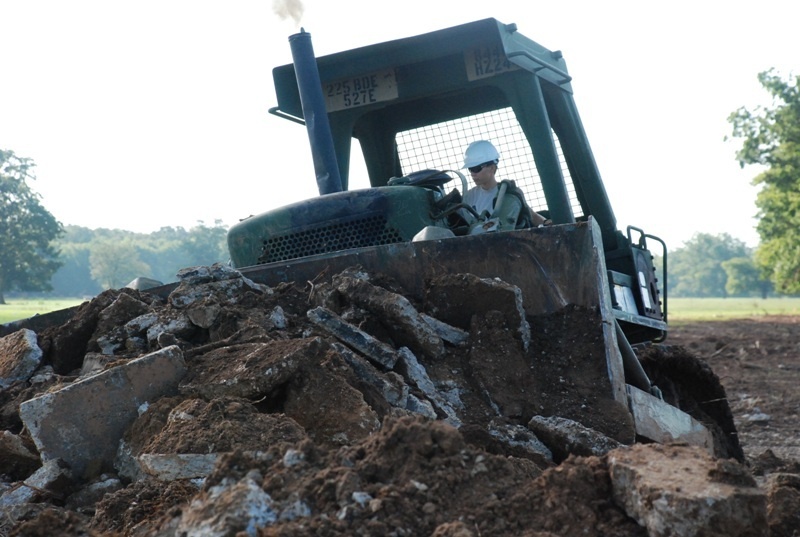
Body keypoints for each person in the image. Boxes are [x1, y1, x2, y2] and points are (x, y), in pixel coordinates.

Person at [460, 140, 547, 227]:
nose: (472, 173)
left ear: (492, 168)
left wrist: (546, 223)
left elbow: (531, 215)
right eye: (470, 169)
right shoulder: (468, 197)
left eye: (476, 169)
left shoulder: (508, 194)